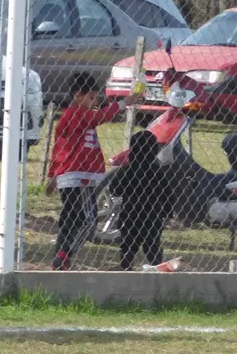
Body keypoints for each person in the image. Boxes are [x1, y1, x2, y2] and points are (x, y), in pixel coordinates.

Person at [47, 73, 143, 270]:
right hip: (79, 177)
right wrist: (126, 102)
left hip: (72, 176)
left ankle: (61, 257)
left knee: (71, 220)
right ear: (77, 95)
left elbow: (59, 149)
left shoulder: (73, 117)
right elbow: (101, 116)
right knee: (88, 222)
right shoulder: (76, 114)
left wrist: (53, 176)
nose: (95, 101)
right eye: (90, 97)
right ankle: (65, 255)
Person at [114, 129, 171, 270]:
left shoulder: (127, 170)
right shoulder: (158, 171)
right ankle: (155, 266)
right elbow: (168, 194)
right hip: (152, 214)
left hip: (130, 212)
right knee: (152, 244)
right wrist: (168, 213)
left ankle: (126, 267)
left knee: (128, 244)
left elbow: (115, 189)